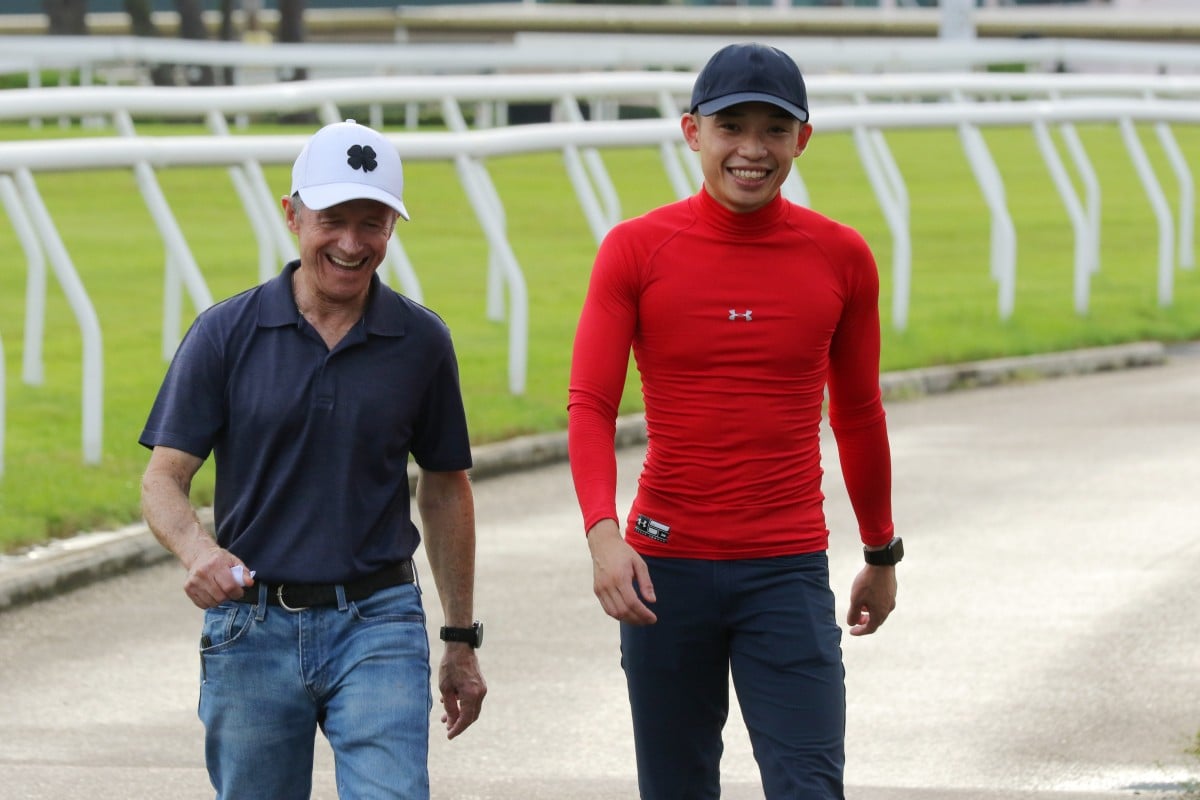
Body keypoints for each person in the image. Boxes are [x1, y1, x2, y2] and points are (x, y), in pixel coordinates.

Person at [567, 43, 902, 800]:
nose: (752, 150)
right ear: (692, 133)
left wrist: (882, 552)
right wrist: (602, 534)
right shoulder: (636, 250)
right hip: (663, 572)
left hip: (785, 571)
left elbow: (857, 412)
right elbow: (590, 403)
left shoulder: (842, 257)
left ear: (802, 140)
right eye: (731, 127)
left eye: (774, 130)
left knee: (809, 787)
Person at [139, 119, 486, 800]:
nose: (352, 244)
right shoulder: (225, 333)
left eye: (373, 223)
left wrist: (459, 638)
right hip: (251, 626)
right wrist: (198, 553)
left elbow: (446, 489)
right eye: (333, 220)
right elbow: (164, 480)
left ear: (392, 226)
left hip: (379, 621)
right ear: (292, 215)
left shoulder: (420, 341)